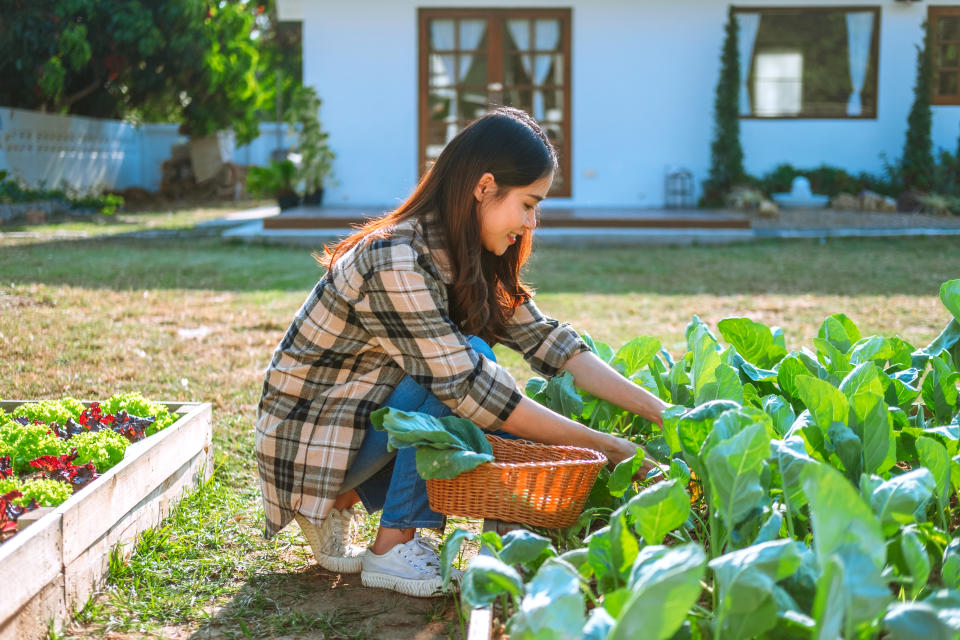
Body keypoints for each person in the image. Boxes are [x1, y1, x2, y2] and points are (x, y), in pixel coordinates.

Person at [255, 107, 668, 598]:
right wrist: (611, 447)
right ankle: (391, 546)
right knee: (467, 359)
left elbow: (550, 342)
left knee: (468, 355)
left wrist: (668, 414)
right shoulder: (395, 257)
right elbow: (469, 389)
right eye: (528, 204)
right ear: (484, 187)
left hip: (357, 424)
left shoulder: (467, 250)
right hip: (309, 443)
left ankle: (348, 500)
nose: (532, 222)